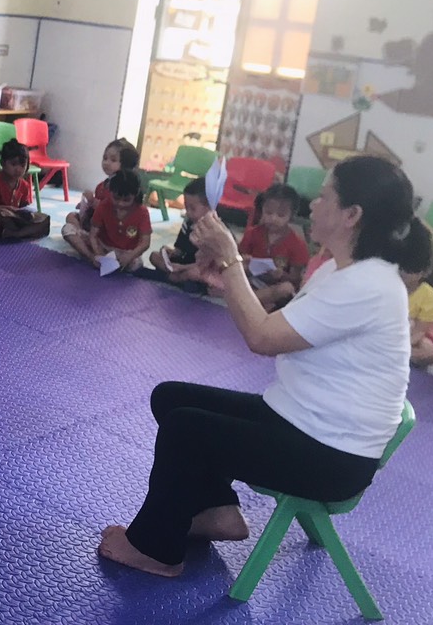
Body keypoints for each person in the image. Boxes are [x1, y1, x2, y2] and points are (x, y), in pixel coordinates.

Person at [97, 155, 414, 577]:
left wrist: (231, 260)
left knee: (185, 428)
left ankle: (155, 548)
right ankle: (217, 511)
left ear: (352, 215)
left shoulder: (366, 285)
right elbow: (275, 325)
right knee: (171, 398)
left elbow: (261, 338)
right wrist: (227, 281)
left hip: (332, 455)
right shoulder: (341, 271)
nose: (313, 205)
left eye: (324, 197)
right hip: (301, 420)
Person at [62, 138, 139, 260]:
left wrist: (94, 202)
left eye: (113, 160)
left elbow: (116, 213)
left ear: (126, 165)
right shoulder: (102, 186)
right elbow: (95, 212)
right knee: (71, 217)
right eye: (105, 158)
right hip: (95, 228)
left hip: (111, 234)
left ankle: (92, 253)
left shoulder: (125, 189)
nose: (106, 162)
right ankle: (90, 253)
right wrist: (85, 205)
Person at [238, 184, 310, 311]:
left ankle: (245, 300)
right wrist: (245, 261)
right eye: (268, 213)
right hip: (250, 281)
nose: (273, 219)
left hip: (274, 288)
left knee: (286, 288)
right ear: (262, 210)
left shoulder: (297, 244)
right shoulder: (252, 233)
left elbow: (296, 279)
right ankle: (254, 301)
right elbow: (238, 259)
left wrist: (281, 275)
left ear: (291, 216)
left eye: (281, 215)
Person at [0, 139, 50, 242]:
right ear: (3, 163)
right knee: (3, 214)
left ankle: (15, 233)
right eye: (13, 164)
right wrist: (6, 208)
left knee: (44, 219)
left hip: (15, 216)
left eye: (22, 165)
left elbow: (24, 207)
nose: (18, 169)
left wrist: (26, 214)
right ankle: (19, 232)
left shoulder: (24, 185)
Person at [148, 177, 209, 289]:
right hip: (182, 263)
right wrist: (170, 252)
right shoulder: (188, 222)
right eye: (186, 207)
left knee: (194, 274)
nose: (188, 212)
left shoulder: (214, 231)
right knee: (154, 256)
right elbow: (179, 250)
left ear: (209, 207)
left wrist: (181, 268)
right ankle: (175, 278)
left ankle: (175, 279)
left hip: (198, 268)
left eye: (193, 209)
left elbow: (207, 265)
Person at [397, 218, 433, 369]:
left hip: (409, 340)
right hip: (384, 337)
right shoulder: (388, 285)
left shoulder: (430, 296)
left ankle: (401, 355)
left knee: (430, 351)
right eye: (400, 268)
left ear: (424, 272)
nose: (403, 273)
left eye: (409, 269)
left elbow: (420, 331)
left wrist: (402, 346)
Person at [85, 169, 151, 272]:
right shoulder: (104, 206)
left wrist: (130, 256)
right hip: (104, 247)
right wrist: (98, 253)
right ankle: (92, 258)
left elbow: (145, 242)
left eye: (126, 200)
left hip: (127, 252)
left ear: (135, 195)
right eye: (116, 198)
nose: (120, 203)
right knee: (68, 231)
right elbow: (93, 235)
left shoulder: (142, 212)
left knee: (135, 266)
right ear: (110, 192)